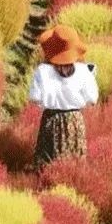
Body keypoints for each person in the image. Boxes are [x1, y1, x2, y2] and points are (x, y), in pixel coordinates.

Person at [28, 24, 100, 170]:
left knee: (48, 164)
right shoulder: (84, 71)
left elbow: (35, 98)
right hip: (74, 121)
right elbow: (92, 99)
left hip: (50, 120)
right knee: (74, 165)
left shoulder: (42, 72)